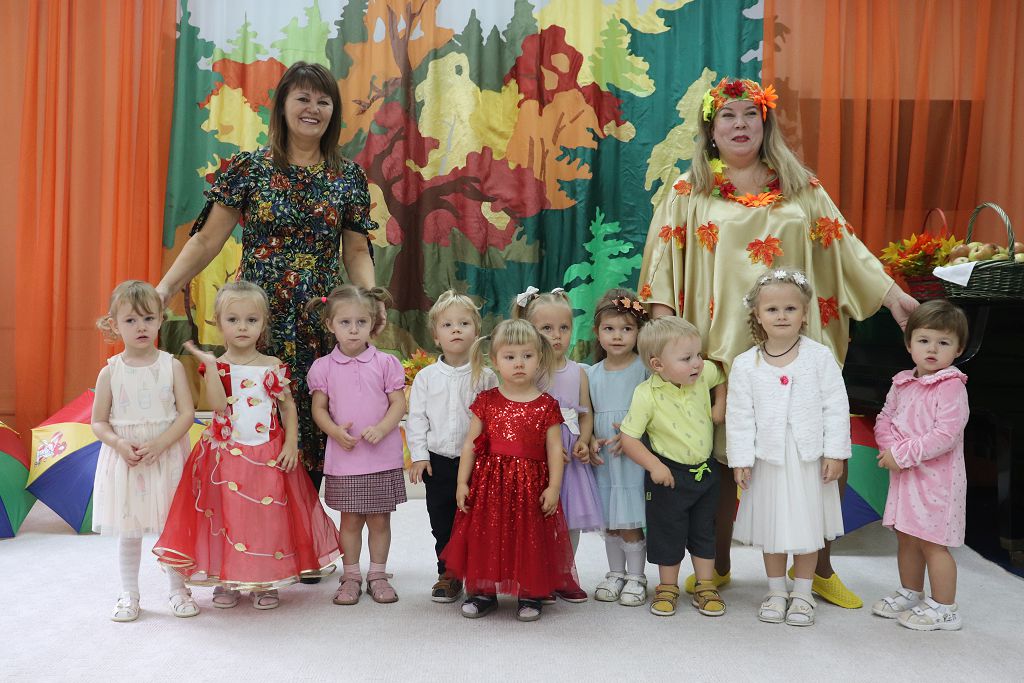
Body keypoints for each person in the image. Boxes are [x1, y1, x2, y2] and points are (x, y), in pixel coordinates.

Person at [637, 76, 919, 608]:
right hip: (718, 348)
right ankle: (716, 564)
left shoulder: (800, 187)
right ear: (711, 129)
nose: (740, 124)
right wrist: (666, 341)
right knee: (719, 458)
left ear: (764, 123)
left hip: (795, 346)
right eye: (728, 116)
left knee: (814, 450)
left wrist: (894, 296)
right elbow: (663, 264)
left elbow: (846, 248)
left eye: (750, 114)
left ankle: (821, 570)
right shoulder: (689, 192)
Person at [154, 61, 380, 495]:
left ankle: (304, 528)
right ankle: (253, 527)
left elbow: (355, 250)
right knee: (252, 420)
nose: (313, 109)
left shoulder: (348, 176)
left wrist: (369, 300)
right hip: (255, 322)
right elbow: (206, 240)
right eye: (303, 98)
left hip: (319, 320)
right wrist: (165, 289)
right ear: (282, 105)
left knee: (310, 424)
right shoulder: (250, 167)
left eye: (323, 101)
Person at [154, 282, 341, 610]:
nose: (242, 327)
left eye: (251, 320)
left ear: (263, 323)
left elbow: (287, 407)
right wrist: (212, 367)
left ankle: (265, 580)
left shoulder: (272, 364)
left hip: (267, 453)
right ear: (218, 322)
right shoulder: (216, 364)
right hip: (224, 456)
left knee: (266, 516)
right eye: (233, 320)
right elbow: (216, 405)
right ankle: (226, 579)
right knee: (225, 516)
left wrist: (291, 444)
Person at [727, 268, 849, 627]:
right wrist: (740, 459)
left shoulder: (819, 357)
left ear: (805, 313)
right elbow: (739, 416)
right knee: (774, 527)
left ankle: (803, 593)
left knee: (807, 527)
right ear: (757, 315)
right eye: (772, 309)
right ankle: (777, 591)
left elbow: (835, 406)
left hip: (807, 458)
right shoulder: (745, 364)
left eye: (790, 309)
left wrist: (835, 452)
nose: (781, 316)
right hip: (769, 459)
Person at [440, 319, 581, 622]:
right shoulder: (486, 401)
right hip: (490, 485)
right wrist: (462, 482)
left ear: (539, 359)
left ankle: (530, 591)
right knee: (487, 535)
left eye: (527, 356)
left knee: (529, 537)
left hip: (530, 487)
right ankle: (483, 591)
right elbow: (470, 445)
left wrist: (554, 487)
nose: (519, 363)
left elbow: (555, 450)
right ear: (495, 360)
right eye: (510, 356)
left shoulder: (547, 405)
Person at [90, 281, 198, 622]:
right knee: (129, 529)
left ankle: (178, 589)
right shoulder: (110, 371)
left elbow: (187, 414)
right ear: (114, 324)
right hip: (129, 460)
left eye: (149, 319)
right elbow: (98, 422)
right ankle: (129, 593)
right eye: (131, 320)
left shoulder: (171, 366)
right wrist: (119, 444)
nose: (141, 327)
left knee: (173, 527)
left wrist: (162, 443)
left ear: (161, 320)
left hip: (166, 455)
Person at [618, 316, 727, 618]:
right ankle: (667, 587)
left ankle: (705, 585)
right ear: (657, 364)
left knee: (705, 531)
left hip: (704, 472)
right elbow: (629, 438)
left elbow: (722, 375)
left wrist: (719, 404)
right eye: (687, 358)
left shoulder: (702, 375)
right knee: (667, 532)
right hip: (667, 475)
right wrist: (654, 465)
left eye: (698, 355)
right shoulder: (646, 394)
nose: (697, 363)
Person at [872, 300, 970, 632]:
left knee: (932, 541)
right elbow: (885, 418)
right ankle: (911, 591)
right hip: (906, 477)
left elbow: (946, 435)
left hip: (936, 481)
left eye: (943, 342)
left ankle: (945, 607)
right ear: (909, 344)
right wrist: (888, 448)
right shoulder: (902, 383)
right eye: (924, 340)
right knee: (907, 536)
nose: (932, 349)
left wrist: (901, 454)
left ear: (958, 349)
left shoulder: (951, 386)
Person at [307, 285, 407, 606]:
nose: (353, 330)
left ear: (372, 324)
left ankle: (377, 574)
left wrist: (383, 427)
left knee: (379, 519)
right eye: (345, 322)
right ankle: (350, 576)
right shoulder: (323, 367)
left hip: (381, 458)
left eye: (361, 322)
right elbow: (319, 409)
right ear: (330, 325)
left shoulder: (387, 363)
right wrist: (334, 431)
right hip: (345, 459)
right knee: (349, 520)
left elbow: (398, 403)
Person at [406, 290, 498, 603]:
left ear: (476, 331)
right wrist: (419, 456)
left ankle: (479, 575)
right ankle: (448, 573)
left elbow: (494, 420)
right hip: (438, 462)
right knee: (442, 520)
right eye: (447, 325)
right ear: (436, 336)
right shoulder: (426, 378)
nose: (456, 329)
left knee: (477, 519)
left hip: (477, 463)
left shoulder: (486, 377)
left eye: (464, 323)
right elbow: (417, 419)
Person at [513, 287, 602, 603]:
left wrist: (584, 440)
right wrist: (541, 446)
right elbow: (521, 414)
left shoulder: (579, 372)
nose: (557, 335)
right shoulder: (529, 371)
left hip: (570, 458)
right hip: (539, 456)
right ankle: (539, 573)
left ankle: (565, 572)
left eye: (564, 327)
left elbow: (585, 412)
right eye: (547, 328)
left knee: (570, 518)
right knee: (540, 516)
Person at [586, 289, 651, 606]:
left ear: (639, 332)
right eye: (609, 328)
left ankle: (637, 576)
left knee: (630, 519)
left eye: (626, 328)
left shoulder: (644, 370)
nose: (617, 336)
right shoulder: (591, 374)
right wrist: (589, 439)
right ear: (597, 332)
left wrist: (631, 435)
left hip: (632, 457)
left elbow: (654, 412)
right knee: (611, 520)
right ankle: (615, 573)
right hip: (604, 458)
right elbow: (588, 414)